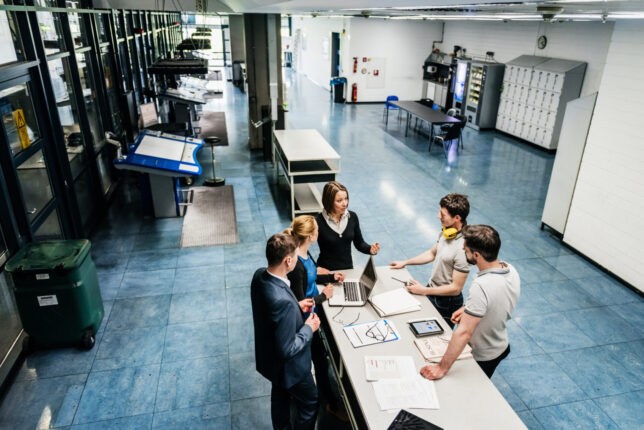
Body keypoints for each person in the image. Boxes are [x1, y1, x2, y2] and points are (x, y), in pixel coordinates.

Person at [420, 225, 520, 380]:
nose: (462, 249)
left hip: (484, 354)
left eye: (466, 250)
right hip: (501, 343)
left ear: (477, 255)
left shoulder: (481, 285)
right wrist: (468, 309)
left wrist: (441, 368)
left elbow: (464, 332)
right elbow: (497, 297)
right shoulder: (510, 269)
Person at [250, 234, 321, 430]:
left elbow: (271, 312)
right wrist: (309, 328)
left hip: (270, 361)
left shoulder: (259, 276)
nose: (297, 261)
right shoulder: (282, 302)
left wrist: (296, 306)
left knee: (280, 396)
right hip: (291, 368)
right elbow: (287, 349)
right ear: (287, 261)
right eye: (296, 258)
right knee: (310, 401)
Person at [284, 216, 348, 420]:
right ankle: (330, 402)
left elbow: (312, 276)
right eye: (317, 229)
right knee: (320, 361)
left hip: (314, 314)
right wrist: (324, 296)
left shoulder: (304, 252)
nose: (319, 232)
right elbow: (301, 302)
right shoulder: (297, 266)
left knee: (321, 360)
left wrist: (330, 277)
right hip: (305, 322)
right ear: (311, 235)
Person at [390, 193, 471, 328]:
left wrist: (424, 291)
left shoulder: (463, 248)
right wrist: (406, 262)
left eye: (443, 214)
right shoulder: (447, 232)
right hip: (432, 290)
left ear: (457, 218)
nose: (438, 216)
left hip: (447, 301)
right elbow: (432, 253)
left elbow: (456, 289)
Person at [316, 181, 380, 272]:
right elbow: (301, 250)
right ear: (329, 201)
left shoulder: (352, 217)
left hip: (348, 271)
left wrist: (370, 249)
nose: (344, 203)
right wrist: (316, 268)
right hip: (327, 272)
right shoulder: (317, 222)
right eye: (339, 201)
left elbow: (359, 243)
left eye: (346, 199)